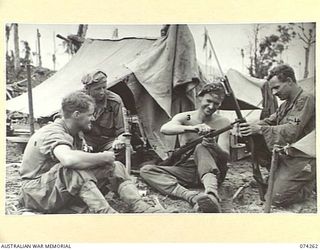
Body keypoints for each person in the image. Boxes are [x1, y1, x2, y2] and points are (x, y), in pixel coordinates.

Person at [19, 91, 169, 214]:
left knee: (115, 166)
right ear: (77, 114)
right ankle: (106, 214)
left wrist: (105, 161)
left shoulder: (74, 131)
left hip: (52, 189)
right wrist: (102, 156)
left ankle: (140, 206)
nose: (93, 118)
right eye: (90, 114)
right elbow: (68, 160)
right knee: (73, 170)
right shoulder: (53, 132)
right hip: (36, 193)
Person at [140, 81, 231, 213]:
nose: (211, 106)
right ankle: (191, 196)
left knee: (201, 147)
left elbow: (226, 156)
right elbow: (165, 128)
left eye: (216, 103)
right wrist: (193, 128)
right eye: (208, 101)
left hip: (213, 172)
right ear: (199, 97)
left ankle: (212, 195)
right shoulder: (187, 117)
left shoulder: (223, 122)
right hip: (186, 170)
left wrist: (214, 146)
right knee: (146, 170)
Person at [239, 64, 315, 207]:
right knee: (256, 136)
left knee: (275, 199)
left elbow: (292, 130)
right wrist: (249, 127)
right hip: (289, 156)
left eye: (276, 87)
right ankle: (282, 176)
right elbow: (270, 120)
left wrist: (260, 129)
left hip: (303, 158)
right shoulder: (286, 105)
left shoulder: (306, 100)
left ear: (289, 81)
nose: (273, 93)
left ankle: (308, 186)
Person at [81, 70, 126, 160]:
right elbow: (69, 123)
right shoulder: (78, 100)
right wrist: (82, 141)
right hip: (86, 141)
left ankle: (97, 162)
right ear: (87, 89)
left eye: (104, 87)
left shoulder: (114, 101)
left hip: (108, 142)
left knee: (124, 150)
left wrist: (119, 141)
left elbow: (122, 131)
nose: (102, 92)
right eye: (97, 89)